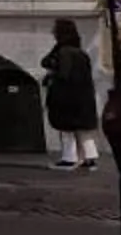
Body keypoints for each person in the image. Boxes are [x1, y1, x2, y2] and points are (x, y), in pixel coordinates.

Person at [41, 19, 100, 170]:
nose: (52, 33)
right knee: (84, 130)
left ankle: (69, 158)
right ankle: (89, 158)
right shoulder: (81, 53)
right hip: (84, 97)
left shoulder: (63, 52)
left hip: (67, 97)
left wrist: (52, 78)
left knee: (66, 129)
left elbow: (59, 72)